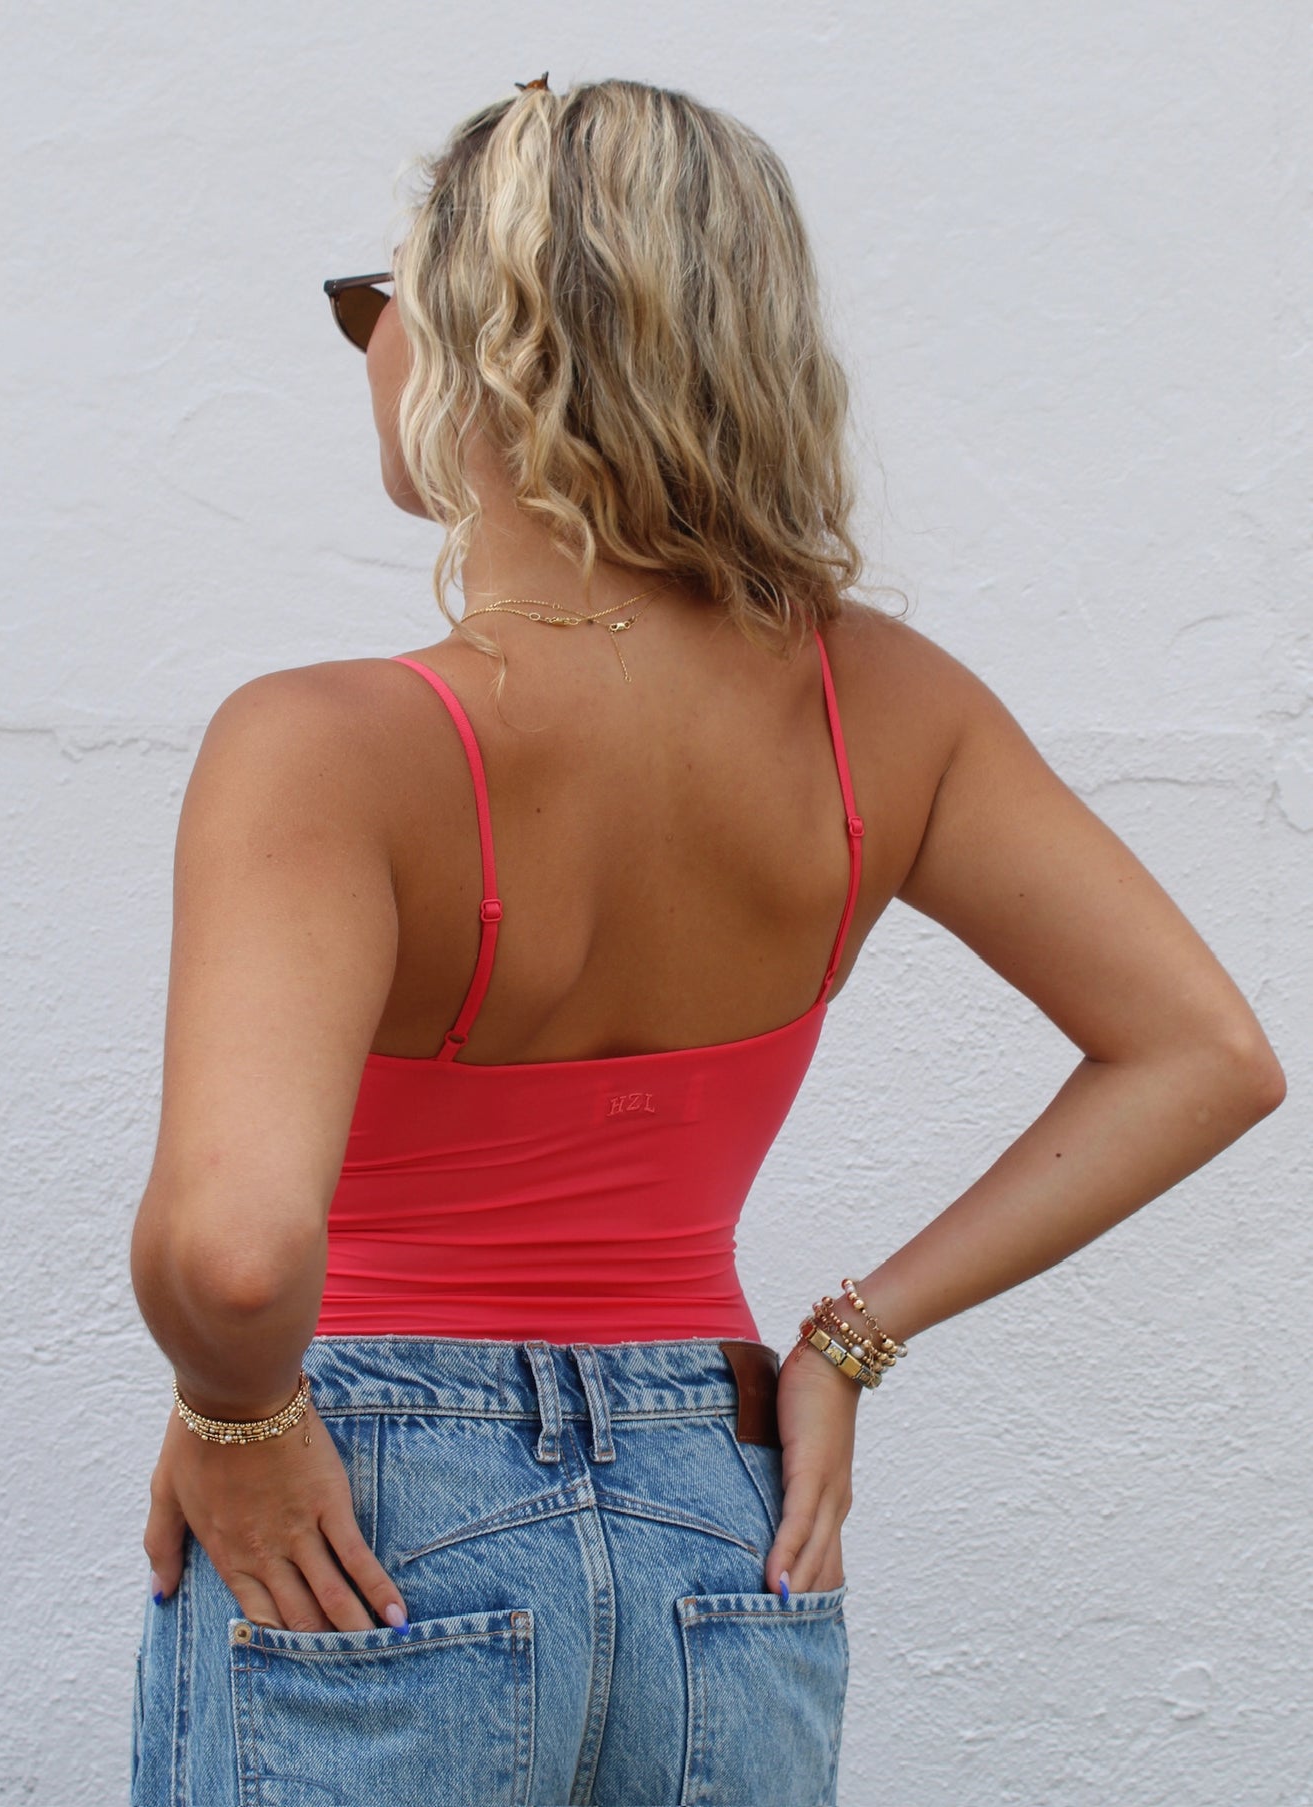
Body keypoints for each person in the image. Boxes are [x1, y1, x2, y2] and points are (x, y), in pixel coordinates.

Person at [126, 76, 1286, 1807]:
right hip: (718, 1518)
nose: (366, 344)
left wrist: (239, 1417)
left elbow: (234, 1257)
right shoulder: (886, 707)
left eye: (379, 300)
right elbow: (1205, 1055)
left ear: (490, 342)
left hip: (363, 1520)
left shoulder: (322, 747)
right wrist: (850, 1341)